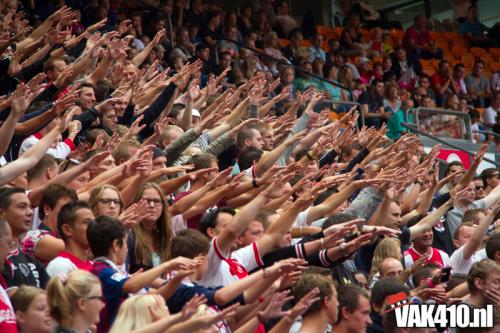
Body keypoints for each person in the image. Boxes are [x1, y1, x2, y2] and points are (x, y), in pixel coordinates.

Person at [46, 201, 95, 276]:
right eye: (87, 222)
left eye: (94, 222)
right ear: (67, 229)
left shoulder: (94, 266)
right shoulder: (60, 266)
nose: (94, 227)